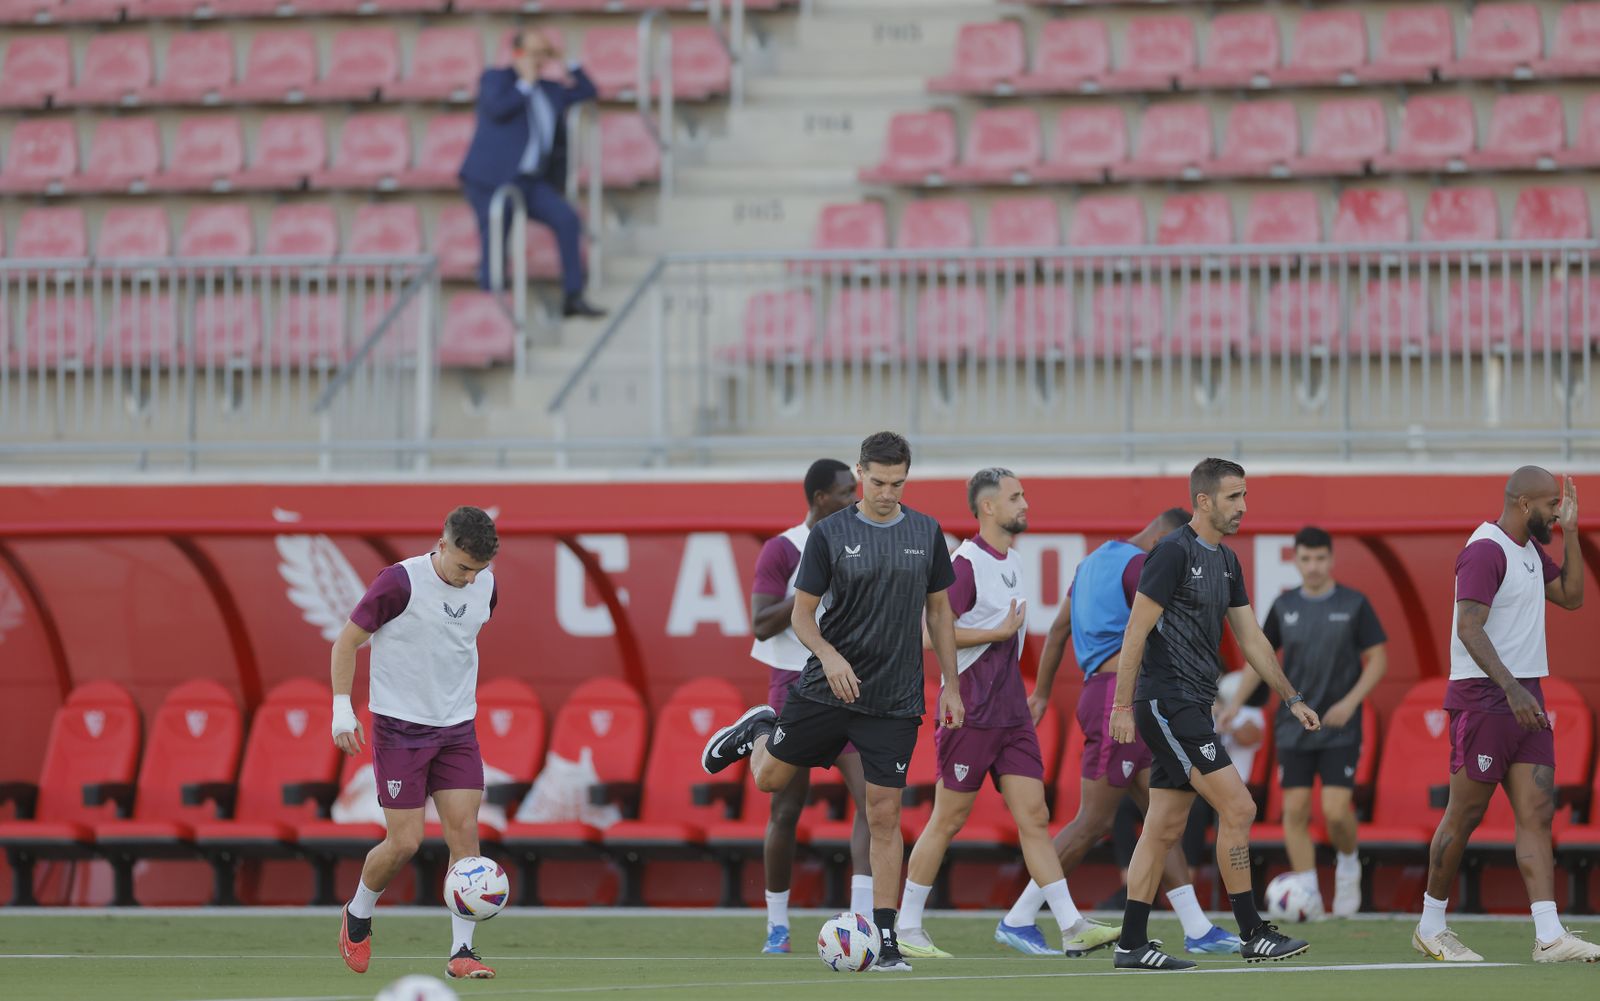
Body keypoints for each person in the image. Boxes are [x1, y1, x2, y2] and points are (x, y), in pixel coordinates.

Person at [701, 430, 962, 973]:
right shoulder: (830, 533)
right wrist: (830, 655)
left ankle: (886, 940)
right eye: (877, 481)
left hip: (893, 699)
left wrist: (952, 686)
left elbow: (939, 613)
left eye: (898, 482)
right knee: (770, 782)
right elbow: (800, 615)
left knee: (884, 813)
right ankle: (759, 731)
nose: (887, 492)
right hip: (827, 686)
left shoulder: (926, 532)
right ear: (860, 473)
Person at [1109, 458, 1320, 972]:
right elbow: (1135, 632)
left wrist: (1291, 698)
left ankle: (1131, 944)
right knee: (1240, 808)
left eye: (1244, 496)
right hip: (1168, 702)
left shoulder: (1227, 562)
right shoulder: (1170, 554)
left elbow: (1252, 640)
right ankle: (1252, 932)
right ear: (1204, 501)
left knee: (1162, 828)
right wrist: (1120, 705)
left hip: (1192, 704)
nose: (1243, 507)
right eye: (1233, 497)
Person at [1001, 507, 1242, 957]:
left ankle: (1197, 927)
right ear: (1165, 540)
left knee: (1159, 816)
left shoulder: (1093, 562)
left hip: (1106, 693)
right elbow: (1161, 632)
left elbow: (1056, 633)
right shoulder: (1144, 565)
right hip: (1123, 699)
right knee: (1093, 820)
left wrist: (1045, 693)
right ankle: (1018, 916)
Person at [893, 469, 1080, 959]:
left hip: (1012, 714)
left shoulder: (1014, 560)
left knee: (1035, 817)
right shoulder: (965, 563)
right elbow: (930, 635)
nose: (1026, 503)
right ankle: (907, 927)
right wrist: (995, 634)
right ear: (988, 508)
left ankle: (1070, 924)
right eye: (1016, 497)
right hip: (971, 711)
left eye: (1024, 495)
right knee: (948, 818)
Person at [1413, 468, 1596, 963]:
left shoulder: (1531, 550)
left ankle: (1549, 935)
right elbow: (1468, 628)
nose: (1556, 513)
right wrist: (1512, 689)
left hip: (1524, 694)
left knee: (1537, 813)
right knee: (1466, 814)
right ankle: (1431, 925)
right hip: (1485, 698)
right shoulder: (1485, 549)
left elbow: (1573, 597)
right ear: (1521, 505)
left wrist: (1573, 534)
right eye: (1550, 506)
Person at [332, 507, 501, 981]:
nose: (471, 580)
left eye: (480, 570)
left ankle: (462, 952)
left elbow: (456, 644)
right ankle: (358, 913)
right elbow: (345, 644)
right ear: (442, 545)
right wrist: (342, 710)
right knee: (405, 842)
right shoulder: (399, 583)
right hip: (401, 730)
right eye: (464, 567)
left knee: (465, 834)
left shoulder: (486, 586)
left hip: (457, 730)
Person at [1219, 526, 1388, 918]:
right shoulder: (1284, 606)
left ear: (1330, 560)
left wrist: (1349, 703)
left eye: (1320, 559)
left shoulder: (1354, 603)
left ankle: (1348, 863)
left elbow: (1379, 660)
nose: (1313, 566)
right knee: (1294, 810)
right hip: (1292, 724)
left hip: (1339, 725)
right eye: (1306, 559)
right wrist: (1235, 704)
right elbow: (1260, 659)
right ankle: (1308, 893)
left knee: (1333, 810)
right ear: (1296, 561)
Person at [747, 458, 873, 954]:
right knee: (786, 808)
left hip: (846, 686)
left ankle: (862, 920)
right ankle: (777, 926)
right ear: (821, 497)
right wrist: (808, 591)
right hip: (794, 688)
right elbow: (759, 623)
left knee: (876, 803)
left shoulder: (858, 543)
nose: (855, 500)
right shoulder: (783, 549)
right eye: (846, 492)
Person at [458, 27, 605, 319]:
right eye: (533, 53)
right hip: (492, 179)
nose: (539, 60)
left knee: (567, 220)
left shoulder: (550, 90)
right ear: (517, 54)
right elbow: (497, 108)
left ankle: (573, 295)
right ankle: (495, 311)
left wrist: (566, 60)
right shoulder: (496, 79)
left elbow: (589, 91)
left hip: (532, 180)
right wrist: (524, 82)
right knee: (495, 241)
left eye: (543, 54)